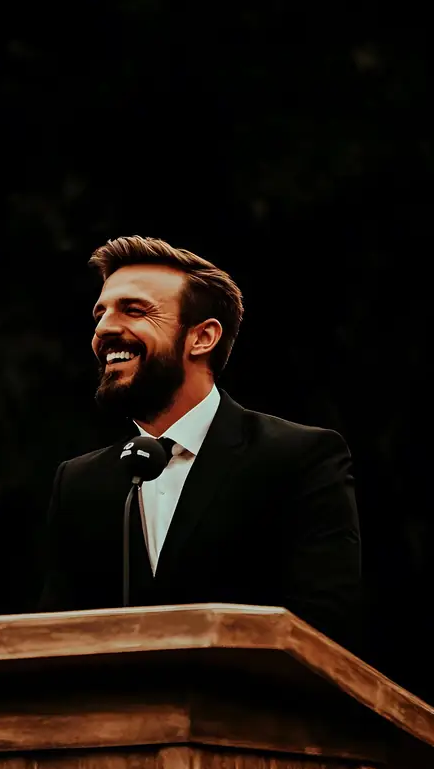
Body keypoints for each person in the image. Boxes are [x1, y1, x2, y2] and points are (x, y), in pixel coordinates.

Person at [38, 235, 362, 650]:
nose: (104, 329)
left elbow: (325, 637)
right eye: (100, 314)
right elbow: (52, 642)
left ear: (202, 337)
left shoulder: (298, 459)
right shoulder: (79, 483)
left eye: (134, 310)